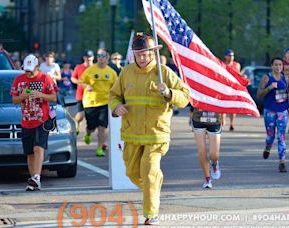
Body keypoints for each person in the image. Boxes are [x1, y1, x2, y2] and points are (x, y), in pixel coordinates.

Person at [109, 32, 190, 225]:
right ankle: (153, 186)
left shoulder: (164, 72)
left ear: (153, 53)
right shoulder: (126, 72)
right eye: (139, 54)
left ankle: (151, 213)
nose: (143, 58)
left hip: (156, 135)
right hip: (132, 134)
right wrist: (116, 107)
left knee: (149, 171)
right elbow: (113, 95)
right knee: (132, 173)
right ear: (134, 54)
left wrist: (169, 93)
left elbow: (185, 97)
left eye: (146, 54)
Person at [10, 54, 58, 191]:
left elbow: (54, 97)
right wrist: (22, 96)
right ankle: (33, 180)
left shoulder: (45, 78)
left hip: (42, 120)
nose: (28, 72)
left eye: (30, 69)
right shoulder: (18, 80)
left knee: (38, 147)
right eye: (26, 69)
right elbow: (14, 100)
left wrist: (41, 95)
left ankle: (37, 177)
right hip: (26, 121)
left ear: (37, 67)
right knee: (29, 152)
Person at [79, 48, 118, 157]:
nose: (101, 58)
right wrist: (86, 85)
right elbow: (80, 81)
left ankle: (99, 148)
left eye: (103, 56)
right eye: (99, 56)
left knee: (102, 126)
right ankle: (88, 133)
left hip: (105, 102)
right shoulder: (90, 70)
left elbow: (116, 86)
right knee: (91, 126)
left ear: (107, 58)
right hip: (90, 102)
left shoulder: (111, 72)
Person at [257, 57, 289, 173]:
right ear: (272, 66)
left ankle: (282, 162)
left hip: (282, 110)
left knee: (281, 136)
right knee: (270, 136)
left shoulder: (285, 78)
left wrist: (288, 93)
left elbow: (286, 92)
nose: (278, 67)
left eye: (280, 65)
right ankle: (268, 147)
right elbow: (259, 94)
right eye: (276, 65)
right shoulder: (267, 78)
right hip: (270, 110)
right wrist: (269, 88)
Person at [191, 108, 222, 189]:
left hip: (214, 119)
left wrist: (224, 116)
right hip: (198, 118)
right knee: (201, 152)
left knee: (214, 155)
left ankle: (214, 164)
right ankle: (207, 179)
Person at [71, 50, 94, 135]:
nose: (89, 59)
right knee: (81, 115)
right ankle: (76, 123)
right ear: (84, 58)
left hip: (94, 96)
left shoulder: (96, 68)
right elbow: (73, 78)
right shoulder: (79, 67)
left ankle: (88, 134)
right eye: (87, 57)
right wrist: (82, 84)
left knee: (91, 117)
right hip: (81, 94)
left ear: (93, 57)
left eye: (90, 57)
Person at [223, 49, 241, 131]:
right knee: (223, 105)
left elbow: (239, 75)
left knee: (233, 107)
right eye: (229, 55)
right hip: (224, 87)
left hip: (233, 88)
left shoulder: (237, 65)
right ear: (225, 56)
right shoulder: (222, 65)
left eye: (232, 56)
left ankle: (231, 123)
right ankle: (222, 120)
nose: (231, 57)